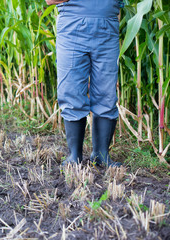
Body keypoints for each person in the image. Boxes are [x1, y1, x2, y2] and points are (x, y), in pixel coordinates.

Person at [46, 0, 123, 167]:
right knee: (71, 91)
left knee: (107, 93)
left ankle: (101, 156)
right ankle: (75, 156)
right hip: (72, 26)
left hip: (107, 26)